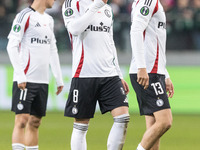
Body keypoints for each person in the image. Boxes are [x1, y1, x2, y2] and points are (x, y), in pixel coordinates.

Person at [62, 0, 130, 149]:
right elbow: (74, 29)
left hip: (109, 74)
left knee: (123, 118)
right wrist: (97, 5)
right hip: (84, 73)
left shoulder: (107, 8)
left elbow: (110, 42)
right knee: (81, 125)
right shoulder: (72, 3)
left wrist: (119, 74)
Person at [7, 0, 64, 149]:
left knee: (35, 122)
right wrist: (20, 75)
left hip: (42, 81)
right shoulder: (24, 16)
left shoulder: (49, 20)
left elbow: (53, 49)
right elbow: (11, 45)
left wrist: (58, 78)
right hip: (26, 79)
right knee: (21, 121)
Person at [129, 0, 174, 150]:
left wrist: (165, 75)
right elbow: (135, 30)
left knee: (154, 127)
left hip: (154, 71)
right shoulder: (148, 2)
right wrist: (142, 68)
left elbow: (156, 45)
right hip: (148, 72)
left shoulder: (149, 3)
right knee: (165, 121)